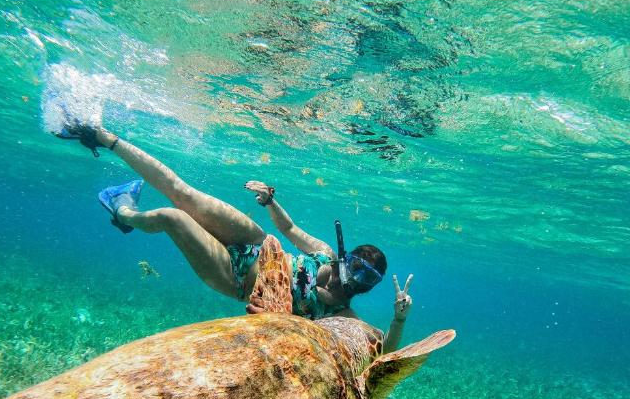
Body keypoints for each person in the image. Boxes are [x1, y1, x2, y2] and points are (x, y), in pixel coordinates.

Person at [58, 124, 414, 352]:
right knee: (184, 193)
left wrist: (398, 320)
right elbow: (289, 231)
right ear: (346, 255)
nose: (356, 276)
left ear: (371, 285)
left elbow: (384, 351)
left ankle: (121, 212)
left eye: (367, 277)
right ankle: (102, 136)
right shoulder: (323, 252)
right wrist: (272, 202)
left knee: (171, 217)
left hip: (233, 276)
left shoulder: (341, 312)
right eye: (357, 265)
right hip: (255, 243)